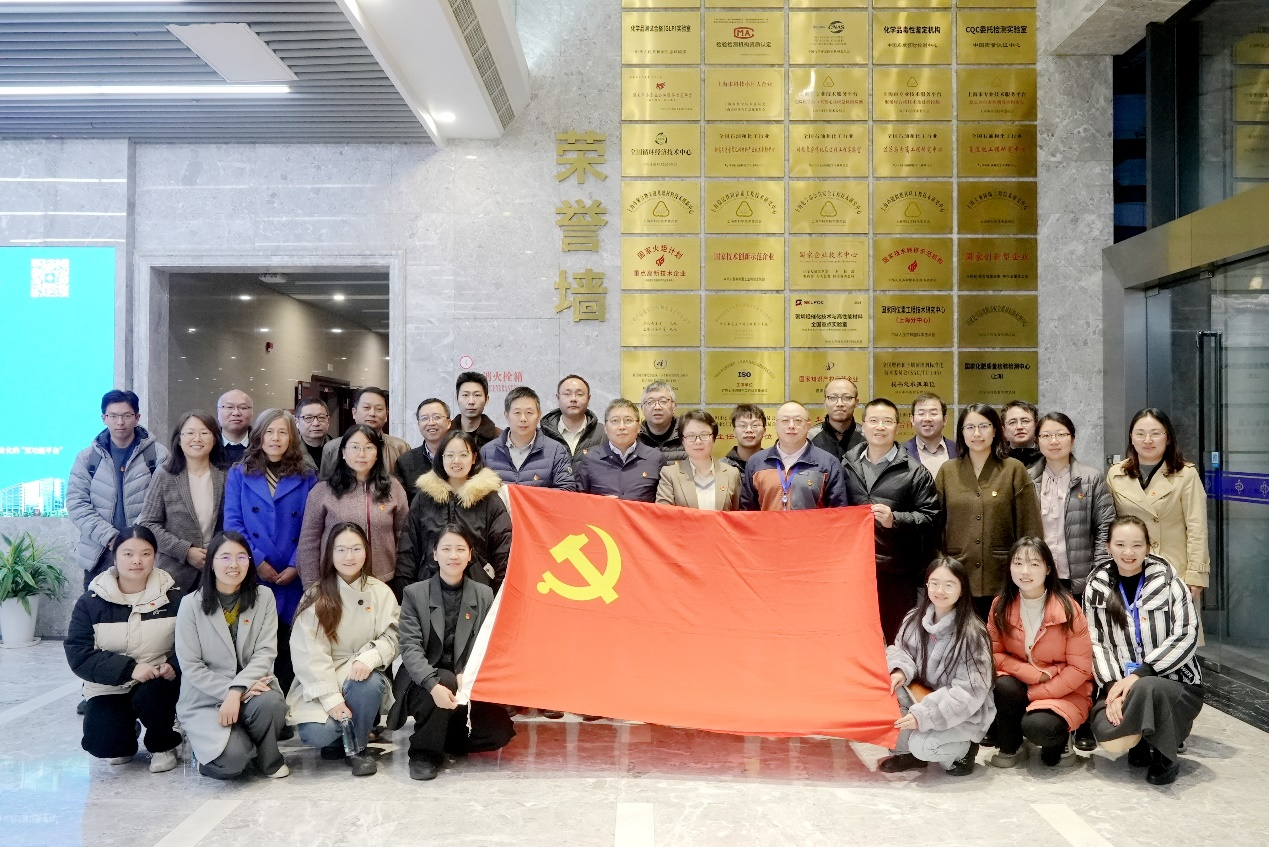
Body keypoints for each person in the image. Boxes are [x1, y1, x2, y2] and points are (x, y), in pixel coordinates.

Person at [387, 525, 516, 780]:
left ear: (470, 555)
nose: (453, 555)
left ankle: (443, 738)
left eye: (460, 549)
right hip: (422, 681)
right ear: (435, 554)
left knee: (500, 731)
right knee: (443, 680)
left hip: (464, 682)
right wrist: (432, 684)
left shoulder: (483, 594)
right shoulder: (415, 593)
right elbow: (410, 647)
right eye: (446, 549)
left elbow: (486, 643)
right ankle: (424, 754)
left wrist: (466, 673)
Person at [1085, 516, 1203, 786]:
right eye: (1120, 544)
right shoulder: (1097, 586)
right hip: (1120, 683)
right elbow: (1096, 642)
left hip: (1176, 683)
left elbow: (1187, 634)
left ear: (1148, 548)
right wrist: (1113, 688)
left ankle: (1165, 755)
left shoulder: (1169, 582)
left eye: (1137, 545)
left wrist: (1140, 674)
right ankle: (1140, 740)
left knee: (1148, 686)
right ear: (1108, 546)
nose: (1128, 552)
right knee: (1110, 737)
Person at [65, 525, 183, 773]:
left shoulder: (174, 597)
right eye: (128, 554)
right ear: (115, 556)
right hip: (109, 686)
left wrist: (173, 666)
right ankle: (127, 732)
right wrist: (129, 669)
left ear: (155, 556)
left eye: (145, 553)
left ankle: (163, 744)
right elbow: (79, 654)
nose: (137, 561)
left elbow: (193, 643)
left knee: (152, 697)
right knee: (104, 743)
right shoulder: (91, 602)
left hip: (157, 683)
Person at [288, 523, 400, 777]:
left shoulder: (380, 591)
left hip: (359, 675)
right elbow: (309, 654)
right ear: (330, 553)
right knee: (318, 734)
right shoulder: (316, 595)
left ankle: (357, 748)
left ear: (366, 552)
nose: (349, 557)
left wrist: (371, 657)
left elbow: (394, 634)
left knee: (368, 683)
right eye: (341, 550)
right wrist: (331, 698)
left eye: (356, 549)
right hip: (323, 677)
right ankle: (344, 733)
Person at [175, 531, 290, 779]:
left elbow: (265, 653)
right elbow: (191, 665)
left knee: (271, 703)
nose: (234, 565)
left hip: (251, 690)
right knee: (233, 761)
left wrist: (237, 690)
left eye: (241, 557)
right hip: (205, 698)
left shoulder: (264, 597)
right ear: (211, 562)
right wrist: (228, 692)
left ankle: (268, 759)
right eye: (225, 557)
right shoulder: (190, 604)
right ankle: (227, 751)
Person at [223, 408, 318, 694]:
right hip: (253, 571)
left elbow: (311, 525)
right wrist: (257, 561)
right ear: (259, 436)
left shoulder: (307, 475)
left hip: (292, 573)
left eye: (282, 432)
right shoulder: (239, 474)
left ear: (292, 437)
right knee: (255, 640)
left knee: (291, 641)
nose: (275, 438)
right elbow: (233, 523)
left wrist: (295, 564)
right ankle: (259, 700)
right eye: (269, 432)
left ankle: (288, 700)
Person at [878, 556, 995, 776]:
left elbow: (969, 692)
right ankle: (905, 753)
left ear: (962, 589)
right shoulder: (914, 618)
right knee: (891, 688)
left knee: (923, 745)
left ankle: (963, 751)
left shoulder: (972, 633)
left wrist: (925, 716)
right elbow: (899, 650)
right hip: (924, 697)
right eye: (934, 583)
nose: (940, 591)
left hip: (963, 712)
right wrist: (900, 670)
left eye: (949, 585)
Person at [986, 538, 1093, 769]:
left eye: (1034, 564)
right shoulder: (1000, 605)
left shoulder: (1068, 608)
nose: (1025, 571)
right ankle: (1011, 746)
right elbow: (992, 655)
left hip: (1064, 689)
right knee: (1002, 685)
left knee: (1041, 732)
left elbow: (1080, 668)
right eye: (1018, 563)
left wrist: (1037, 692)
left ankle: (1062, 740)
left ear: (1048, 569)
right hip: (1025, 682)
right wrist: (1034, 675)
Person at [842, 399, 939, 643]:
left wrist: (894, 519)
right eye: (873, 421)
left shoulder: (914, 471)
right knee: (857, 638)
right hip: (853, 569)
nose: (880, 427)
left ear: (898, 426)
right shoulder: (846, 465)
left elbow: (932, 517)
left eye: (887, 421)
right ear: (863, 426)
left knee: (898, 638)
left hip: (896, 572)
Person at [934, 403, 1043, 619]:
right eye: (970, 427)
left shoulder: (1013, 469)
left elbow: (1029, 527)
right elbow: (936, 526)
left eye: (984, 426)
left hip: (1001, 576)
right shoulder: (948, 471)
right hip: (957, 574)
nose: (977, 434)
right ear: (961, 433)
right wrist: (941, 566)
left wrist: (1029, 569)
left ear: (995, 430)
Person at [1106, 408, 1209, 607]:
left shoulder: (1185, 474)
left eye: (1155, 433)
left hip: (1174, 569)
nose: (1148, 440)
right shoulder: (1116, 474)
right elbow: (1109, 524)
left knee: (1175, 625)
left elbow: (1197, 528)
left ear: (1168, 438)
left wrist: (1196, 575)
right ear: (1131, 437)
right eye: (1140, 434)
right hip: (1129, 566)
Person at [68, 389, 168, 590]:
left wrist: (134, 539)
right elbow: (76, 503)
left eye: (127, 415)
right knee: (97, 607)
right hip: (100, 553)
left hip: (144, 553)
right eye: (113, 416)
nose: (120, 422)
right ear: (104, 418)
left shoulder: (157, 455)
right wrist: (112, 538)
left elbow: (165, 501)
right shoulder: (88, 458)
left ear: (137, 417)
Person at [393, 430, 512, 595]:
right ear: (441, 458)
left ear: (474, 457)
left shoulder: (489, 499)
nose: (456, 461)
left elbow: (503, 552)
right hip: (428, 589)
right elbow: (409, 548)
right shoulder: (424, 498)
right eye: (449, 455)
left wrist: (497, 595)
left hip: (479, 591)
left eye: (463, 455)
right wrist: (405, 592)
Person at [298, 425, 409, 589]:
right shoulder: (323, 491)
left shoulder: (393, 488)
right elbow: (309, 542)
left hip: (383, 582)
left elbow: (404, 536)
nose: (361, 454)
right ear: (343, 452)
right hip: (335, 582)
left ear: (377, 454)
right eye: (355, 447)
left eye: (369, 448)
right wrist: (311, 585)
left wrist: (401, 576)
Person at [1028, 412, 1116, 596]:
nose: (1054, 441)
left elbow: (1105, 527)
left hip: (1080, 578)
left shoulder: (1091, 478)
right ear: (1037, 441)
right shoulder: (1027, 479)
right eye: (1046, 436)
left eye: (1061, 434)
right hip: (1036, 576)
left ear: (1073, 439)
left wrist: (1100, 571)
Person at [139, 411, 226, 593]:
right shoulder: (165, 475)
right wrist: (185, 551)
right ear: (179, 439)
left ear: (215, 439)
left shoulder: (226, 475)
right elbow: (148, 523)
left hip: (218, 571)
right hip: (173, 573)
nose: (197, 438)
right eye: (190, 433)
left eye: (204, 433)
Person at [740, 402, 846, 511]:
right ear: (776, 425)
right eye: (785, 420)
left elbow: (838, 511)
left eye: (798, 420)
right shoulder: (756, 462)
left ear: (808, 425)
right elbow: (748, 512)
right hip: (768, 523)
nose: (791, 426)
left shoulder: (828, 463)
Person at [480, 386, 577, 491]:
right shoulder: (487, 452)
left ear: (539, 415)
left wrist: (531, 496)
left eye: (529, 413)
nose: (523, 419)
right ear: (506, 416)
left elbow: (567, 490)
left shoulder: (556, 451)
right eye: (517, 413)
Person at [575, 399, 665, 502]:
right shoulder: (590, 460)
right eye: (615, 421)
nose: (622, 427)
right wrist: (598, 504)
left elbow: (664, 503)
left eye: (628, 420)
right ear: (605, 428)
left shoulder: (655, 459)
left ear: (639, 427)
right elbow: (578, 502)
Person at [656, 410, 741, 511]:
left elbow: (736, 516)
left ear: (713, 438)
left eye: (704, 435)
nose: (698, 441)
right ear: (682, 440)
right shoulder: (670, 474)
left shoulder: (732, 473)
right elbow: (663, 514)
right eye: (691, 436)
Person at [320, 387, 410, 479]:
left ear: (386, 415)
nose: (372, 413)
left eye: (379, 409)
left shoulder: (400, 448)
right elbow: (325, 484)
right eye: (366, 408)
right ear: (354, 413)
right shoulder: (332, 449)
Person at [394, 398, 452, 503]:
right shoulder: (406, 461)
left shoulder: (461, 457)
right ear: (419, 425)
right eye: (425, 418)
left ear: (448, 423)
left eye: (437, 417)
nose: (431, 423)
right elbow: (402, 504)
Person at [541, 374, 605, 470]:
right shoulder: (541, 435)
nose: (573, 399)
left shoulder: (604, 433)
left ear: (588, 399)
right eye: (567, 394)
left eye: (579, 394)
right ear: (558, 398)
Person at [808, 378, 865, 461]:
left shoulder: (866, 437)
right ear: (825, 402)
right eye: (832, 398)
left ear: (856, 402)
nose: (839, 404)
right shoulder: (809, 437)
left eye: (847, 397)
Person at [902, 392, 958, 477]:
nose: (927, 419)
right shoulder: (900, 453)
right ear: (912, 420)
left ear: (944, 420)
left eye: (933, 413)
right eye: (921, 414)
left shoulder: (959, 451)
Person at [637, 381, 687, 461]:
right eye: (650, 402)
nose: (657, 407)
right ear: (642, 408)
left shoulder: (687, 435)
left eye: (663, 401)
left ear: (674, 406)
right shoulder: (634, 438)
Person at [452, 372, 502, 451]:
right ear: (456, 399)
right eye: (465, 395)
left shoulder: (499, 438)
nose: (471, 401)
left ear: (486, 399)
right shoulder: (445, 435)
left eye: (477, 395)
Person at [721, 404, 767, 473]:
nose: (749, 430)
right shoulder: (721, 467)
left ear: (764, 431)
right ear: (734, 432)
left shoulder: (773, 465)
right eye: (742, 425)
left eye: (755, 425)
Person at [217, 389, 254, 467]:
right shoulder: (208, 445)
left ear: (252, 413)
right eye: (229, 407)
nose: (236, 413)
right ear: (218, 412)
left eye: (243, 408)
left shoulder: (262, 445)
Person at [1001, 400, 1042, 468]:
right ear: (1004, 430)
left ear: (1036, 425)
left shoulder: (1047, 458)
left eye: (1025, 421)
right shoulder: (997, 460)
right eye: (1012, 422)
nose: (1019, 427)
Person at [295, 398, 332, 470]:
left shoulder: (339, 450)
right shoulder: (290, 453)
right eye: (308, 418)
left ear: (328, 421)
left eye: (321, 417)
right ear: (297, 422)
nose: (316, 423)